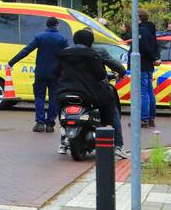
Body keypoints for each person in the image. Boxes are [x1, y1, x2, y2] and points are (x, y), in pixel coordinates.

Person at [54, 29, 128, 158]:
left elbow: (55, 72)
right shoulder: (93, 55)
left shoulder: (63, 54)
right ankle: (115, 142)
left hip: (65, 91)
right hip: (89, 93)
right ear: (91, 41)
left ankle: (63, 140)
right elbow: (100, 75)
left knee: (61, 106)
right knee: (111, 105)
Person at [7, 17, 69, 133]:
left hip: (41, 72)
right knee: (53, 98)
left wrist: (11, 62)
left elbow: (26, 51)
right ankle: (50, 124)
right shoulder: (63, 39)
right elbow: (68, 56)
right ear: (57, 25)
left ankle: (40, 123)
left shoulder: (40, 37)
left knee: (39, 96)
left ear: (47, 25)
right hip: (56, 73)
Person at [136, 10, 160, 128]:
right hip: (149, 65)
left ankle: (143, 119)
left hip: (142, 64)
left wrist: (152, 58)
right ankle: (151, 118)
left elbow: (143, 47)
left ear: (139, 18)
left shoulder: (141, 30)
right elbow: (155, 45)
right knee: (150, 91)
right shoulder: (151, 29)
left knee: (143, 93)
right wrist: (155, 58)